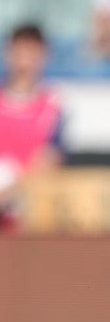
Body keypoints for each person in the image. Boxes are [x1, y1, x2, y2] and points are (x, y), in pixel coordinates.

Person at [0, 23, 62, 231]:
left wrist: (9, 194)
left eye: (32, 51)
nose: (25, 58)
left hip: (25, 210)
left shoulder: (53, 106)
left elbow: (49, 159)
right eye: (20, 49)